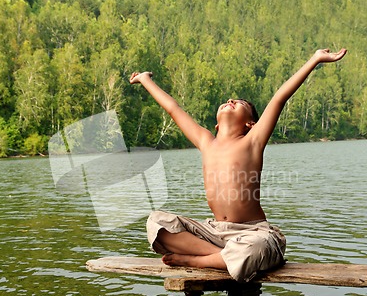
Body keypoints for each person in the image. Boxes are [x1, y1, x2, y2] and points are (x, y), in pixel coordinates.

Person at [130, 48, 347, 282]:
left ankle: (200, 260)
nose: (230, 101)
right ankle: (223, 257)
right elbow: (173, 109)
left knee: (258, 248)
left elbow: (279, 97)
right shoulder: (206, 141)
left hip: (252, 232)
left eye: (240, 103)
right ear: (215, 125)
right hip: (213, 232)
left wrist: (314, 59)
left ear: (251, 123)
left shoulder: (252, 141)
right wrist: (145, 80)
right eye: (228, 101)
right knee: (157, 223)